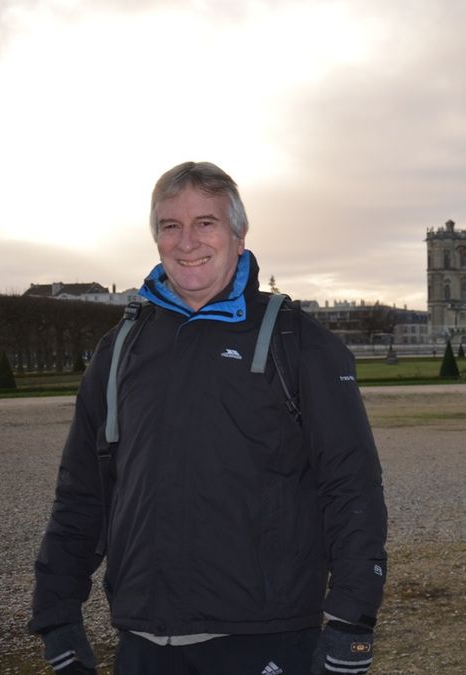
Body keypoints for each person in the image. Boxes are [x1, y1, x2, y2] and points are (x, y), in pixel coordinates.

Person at [30, 162, 387, 675]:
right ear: (156, 239)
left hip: (265, 636)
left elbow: (352, 486)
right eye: (170, 225)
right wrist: (56, 613)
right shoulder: (120, 347)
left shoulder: (299, 340)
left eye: (206, 223)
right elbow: (84, 490)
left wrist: (351, 620)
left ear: (238, 235)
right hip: (143, 637)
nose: (186, 241)